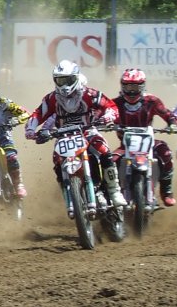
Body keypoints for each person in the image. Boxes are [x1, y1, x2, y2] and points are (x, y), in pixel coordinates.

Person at [24, 60, 123, 211]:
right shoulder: (51, 99)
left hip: (87, 131)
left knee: (104, 151)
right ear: (55, 81)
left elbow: (110, 106)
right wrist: (31, 129)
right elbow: (38, 114)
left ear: (76, 78)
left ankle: (114, 190)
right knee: (57, 162)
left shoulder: (89, 94)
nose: (64, 85)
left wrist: (107, 116)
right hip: (63, 136)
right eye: (60, 81)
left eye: (68, 80)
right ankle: (68, 194)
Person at [110, 68, 177, 206]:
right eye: (128, 87)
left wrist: (172, 124)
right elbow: (105, 114)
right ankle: (109, 196)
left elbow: (167, 114)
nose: (131, 91)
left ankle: (166, 191)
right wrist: (105, 122)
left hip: (148, 144)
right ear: (122, 86)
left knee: (165, 152)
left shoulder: (151, 101)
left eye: (135, 87)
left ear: (142, 86)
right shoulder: (115, 103)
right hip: (125, 147)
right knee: (110, 162)